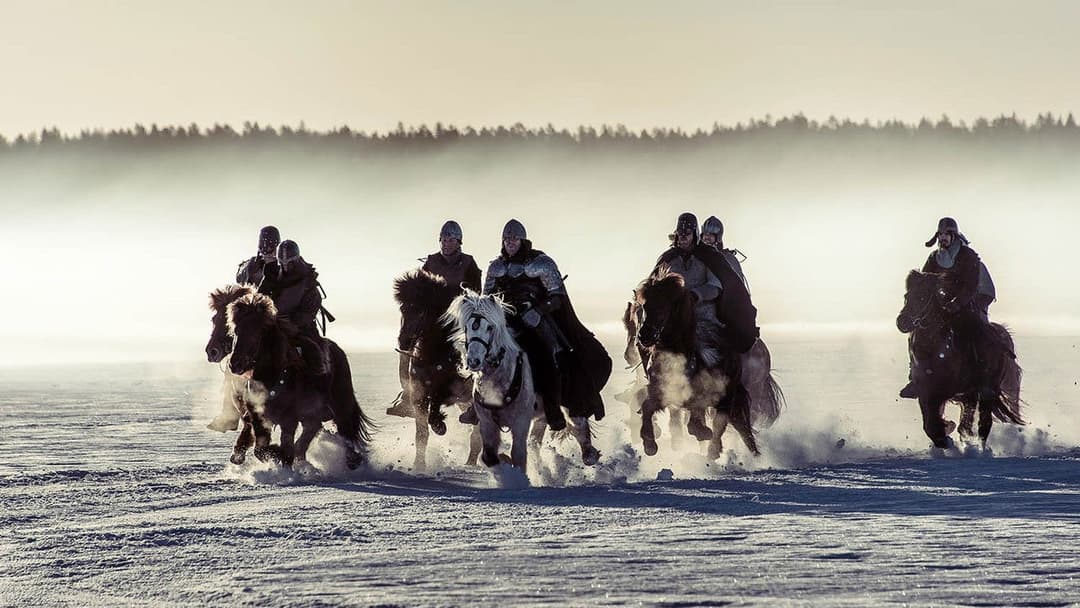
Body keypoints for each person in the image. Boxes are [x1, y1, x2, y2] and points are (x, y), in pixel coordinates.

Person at [471, 219, 611, 430]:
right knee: (480, 350)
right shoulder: (496, 267)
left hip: (536, 321)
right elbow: (487, 299)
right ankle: (477, 406)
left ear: (522, 240)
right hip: (506, 322)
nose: (510, 243)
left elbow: (557, 297)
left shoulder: (541, 263)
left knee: (547, 357)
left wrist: (538, 311)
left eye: (514, 239)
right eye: (507, 239)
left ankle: (554, 410)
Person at [389, 220, 483, 417]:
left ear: (459, 242)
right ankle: (408, 395)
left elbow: (475, 294)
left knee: (475, 345)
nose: (446, 243)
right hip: (433, 319)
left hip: (457, 320)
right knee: (410, 345)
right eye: (443, 239)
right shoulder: (431, 262)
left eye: (451, 239)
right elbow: (420, 289)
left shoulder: (468, 263)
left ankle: (475, 391)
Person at [899, 217, 996, 399]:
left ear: (953, 236)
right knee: (918, 331)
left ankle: (984, 381)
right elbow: (925, 281)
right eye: (940, 234)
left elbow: (971, 285)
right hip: (944, 306)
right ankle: (915, 376)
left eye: (946, 234)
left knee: (976, 332)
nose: (943, 238)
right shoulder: (934, 257)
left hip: (970, 304)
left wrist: (958, 303)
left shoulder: (969, 256)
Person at [258, 240, 329, 379]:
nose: (285, 266)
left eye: (289, 263)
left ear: (296, 260)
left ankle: (318, 388)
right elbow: (260, 298)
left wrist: (292, 321)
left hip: (300, 328)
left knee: (314, 352)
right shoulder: (271, 276)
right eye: (282, 263)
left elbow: (311, 308)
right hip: (273, 326)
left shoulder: (307, 281)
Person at [700, 215, 749, 291]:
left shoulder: (729, 259)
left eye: (711, 235)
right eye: (705, 234)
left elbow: (739, 287)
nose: (707, 238)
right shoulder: (696, 257)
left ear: (718, 237)